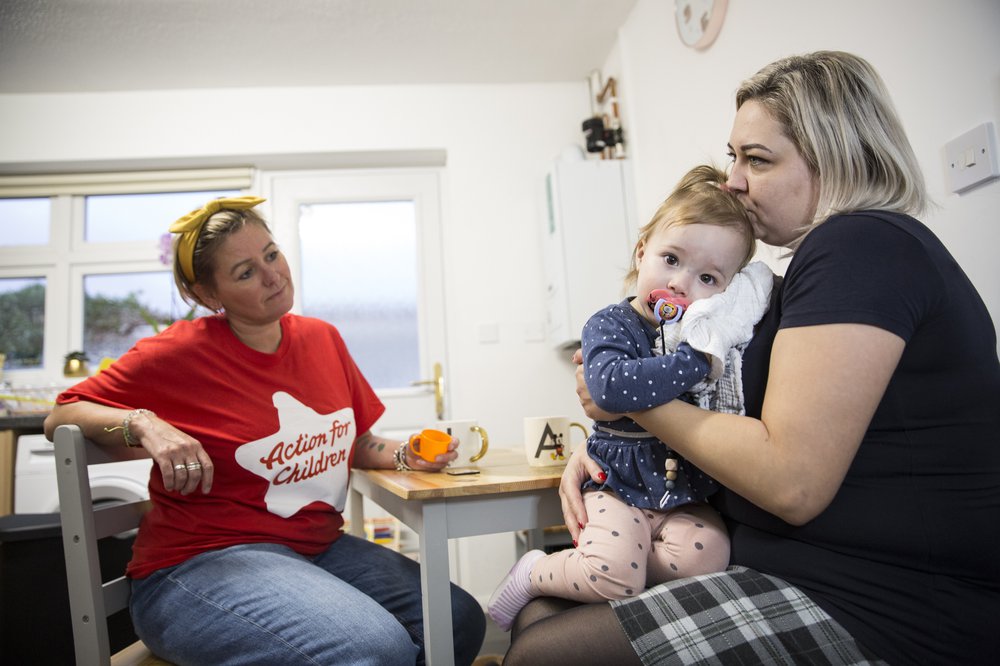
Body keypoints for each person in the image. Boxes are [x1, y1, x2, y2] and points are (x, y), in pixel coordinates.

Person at [504, 51, 1000, 665]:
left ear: (839, 157)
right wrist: (614, 443)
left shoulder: (862, 247)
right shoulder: (777, 282)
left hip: (881, 601)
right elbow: (735, 415)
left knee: (542, 652)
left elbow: (791, 482)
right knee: (539, 616)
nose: (731, 180)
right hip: (789, 563)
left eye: (757, 160)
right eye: (734, 155)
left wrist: (626, 406)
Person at [43, 196, 486, 666]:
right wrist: (142, 422)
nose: (274, 275)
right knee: (374, 648)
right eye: (245, 272)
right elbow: (59, 415)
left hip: (315, 548)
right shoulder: (177, 353)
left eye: (271, 254)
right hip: (198, 565)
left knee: (458, 620)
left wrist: (406, 454)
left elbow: (352, 442)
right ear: (209, 295)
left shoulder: (322, 339)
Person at [487, 165, 772, 631]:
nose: (682, 283)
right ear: (643, 253)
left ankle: (624, 569)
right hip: (616, 480)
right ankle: (535, 571)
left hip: (680, 490)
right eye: (672, 259)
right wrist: (696, 362)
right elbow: (610, 388)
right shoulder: (612, 324)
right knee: (613, 573)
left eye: (708, 278)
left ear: (727, 293)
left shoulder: (708, 333)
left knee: (710, 556)